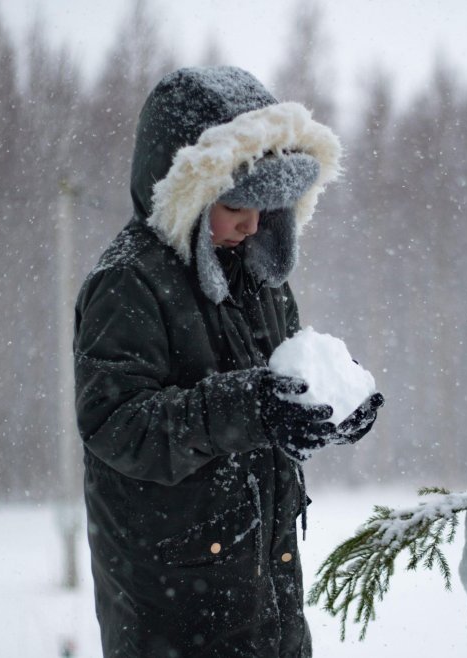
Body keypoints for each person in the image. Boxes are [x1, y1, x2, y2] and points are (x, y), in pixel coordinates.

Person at [73, 66, 384, 657]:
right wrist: (250, 406)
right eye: (237, 202)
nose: (252, 222)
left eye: (268, 203)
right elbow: (117, 426)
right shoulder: (128, 282)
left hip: (265, 587)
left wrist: (329, 403)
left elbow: (276, 391)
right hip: (172, 608)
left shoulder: (255, 270)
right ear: (187, 186)